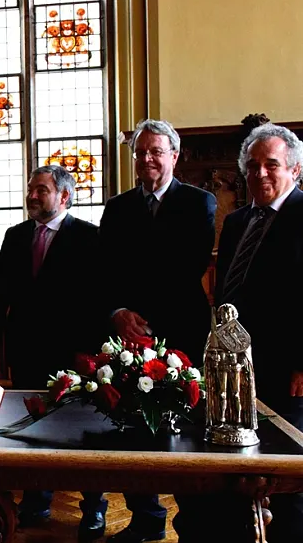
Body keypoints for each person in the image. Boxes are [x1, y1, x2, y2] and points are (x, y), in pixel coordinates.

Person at [174, 123, 303, 543]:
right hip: (235, 367)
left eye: (272, 165)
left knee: (287, 478)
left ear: (295, 170)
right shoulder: (235, 222)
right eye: (252, 165)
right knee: (235, 466)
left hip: (288, 369)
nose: (260, 173)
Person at [98, 119, 217, 543]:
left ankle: (192, 522)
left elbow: (189, 265)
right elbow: (103, 269)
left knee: (185, 427)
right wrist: (118, 312)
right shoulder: (117, 208)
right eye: (140, 152)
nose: (146, 158)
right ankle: (145, 517)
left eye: (156, 151)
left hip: (181, 331)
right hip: (127, 335)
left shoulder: (199, 202)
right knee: (131, 428)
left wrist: (144, 316)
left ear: (174, 156)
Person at [0, 165, 107, 540]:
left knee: (82, 432)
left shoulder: (89, 237)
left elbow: (98, 299)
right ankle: (36, 500)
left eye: (41, 190)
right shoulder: (16, 235)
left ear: (64, 196)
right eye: (30, 189)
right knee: (31, 427)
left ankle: (93, 506)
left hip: (74, 353)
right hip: (26, 350)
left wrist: (93, 355)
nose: (32, 196)